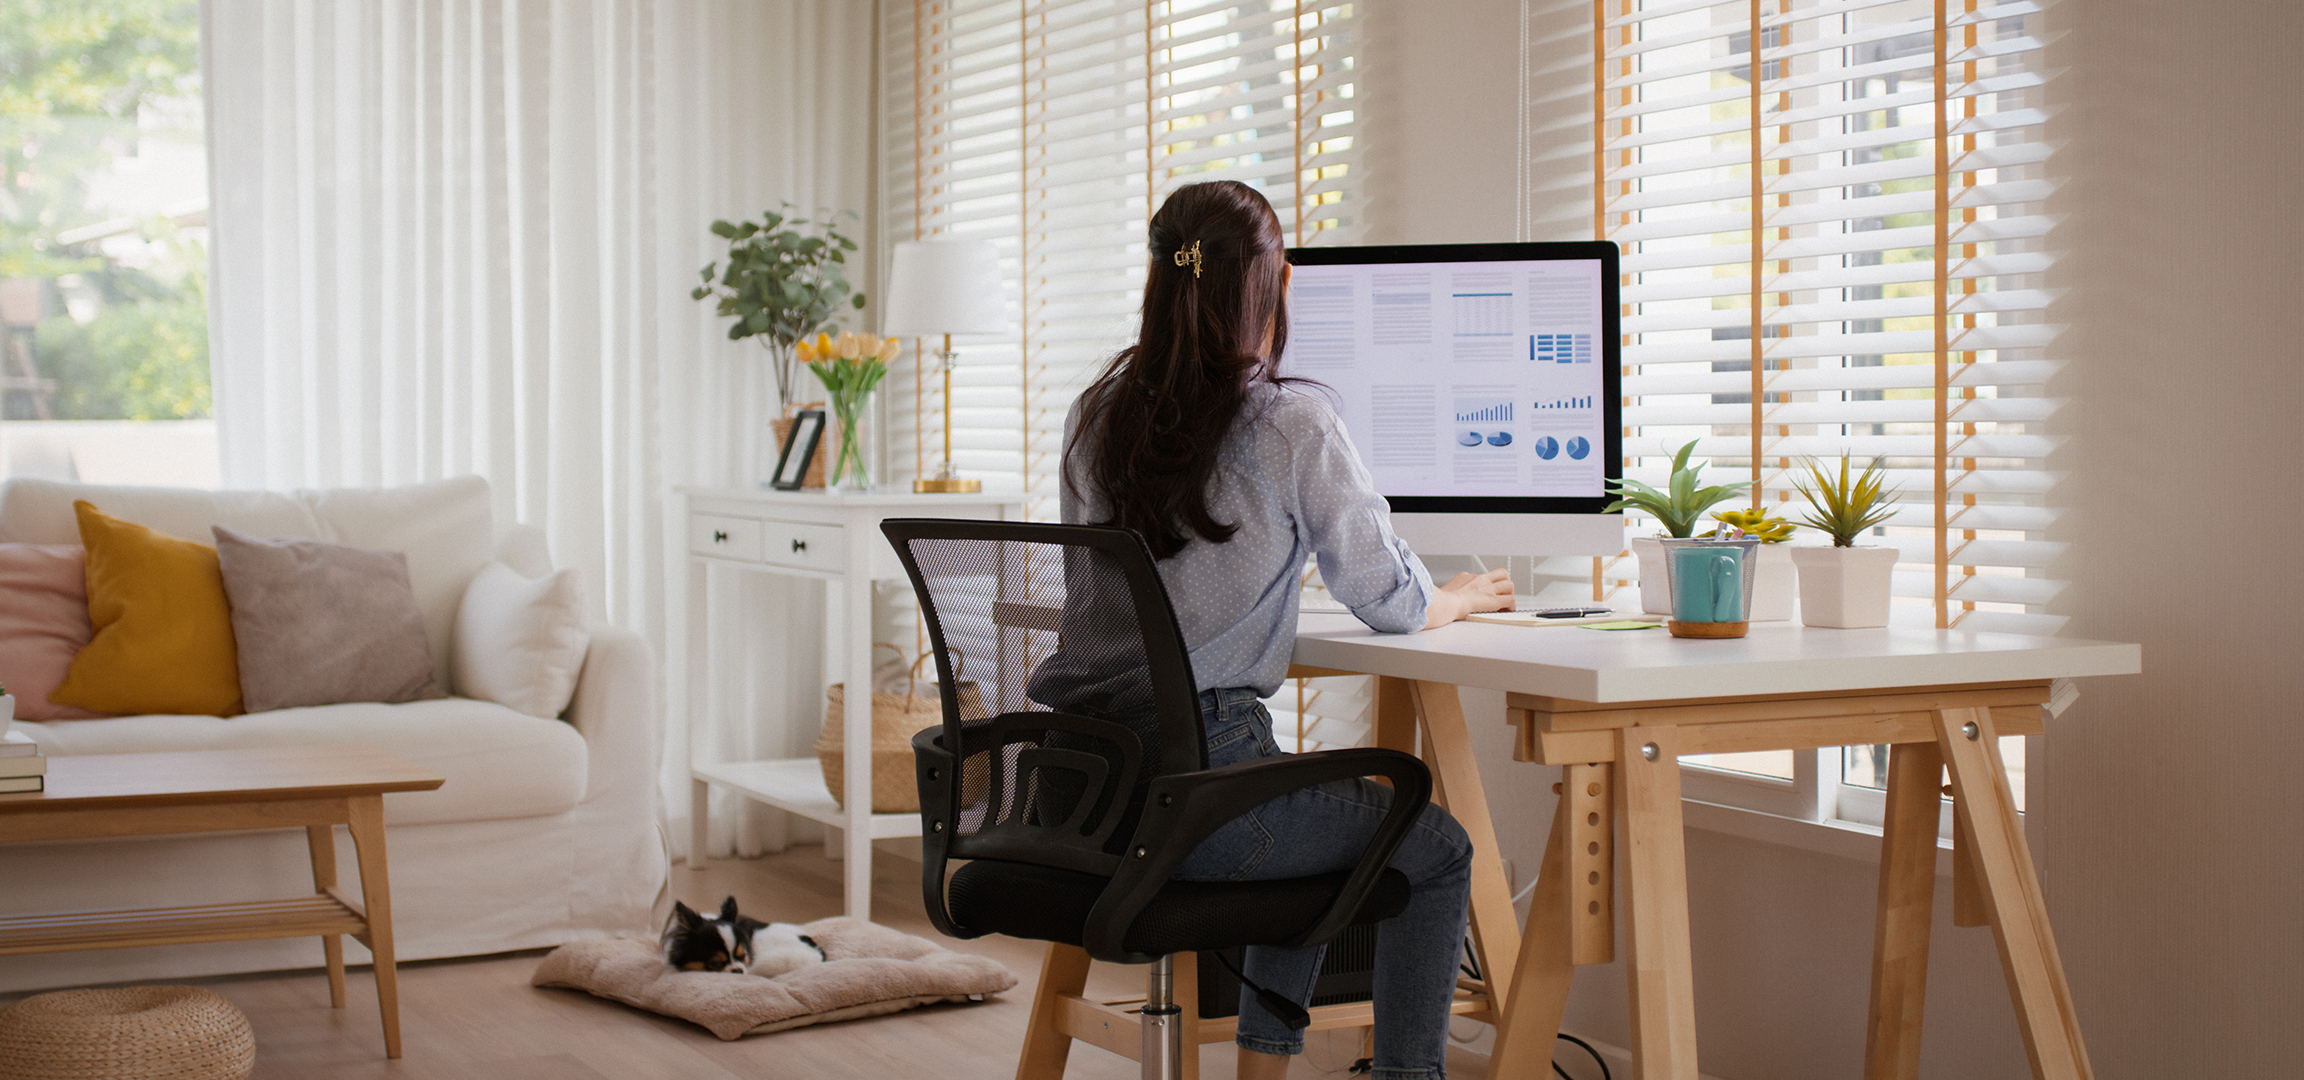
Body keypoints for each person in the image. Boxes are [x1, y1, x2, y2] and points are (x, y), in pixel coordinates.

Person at [1058, 179, 1513, 1080]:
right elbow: (1387, 593)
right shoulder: (1288, 418)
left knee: (1309, 804)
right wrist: (1450, 599)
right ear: (1275, 282)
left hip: (1087, 788)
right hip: (1204, 796)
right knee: (1433, 843)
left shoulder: (1095, 415)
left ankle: (1266, 1065)